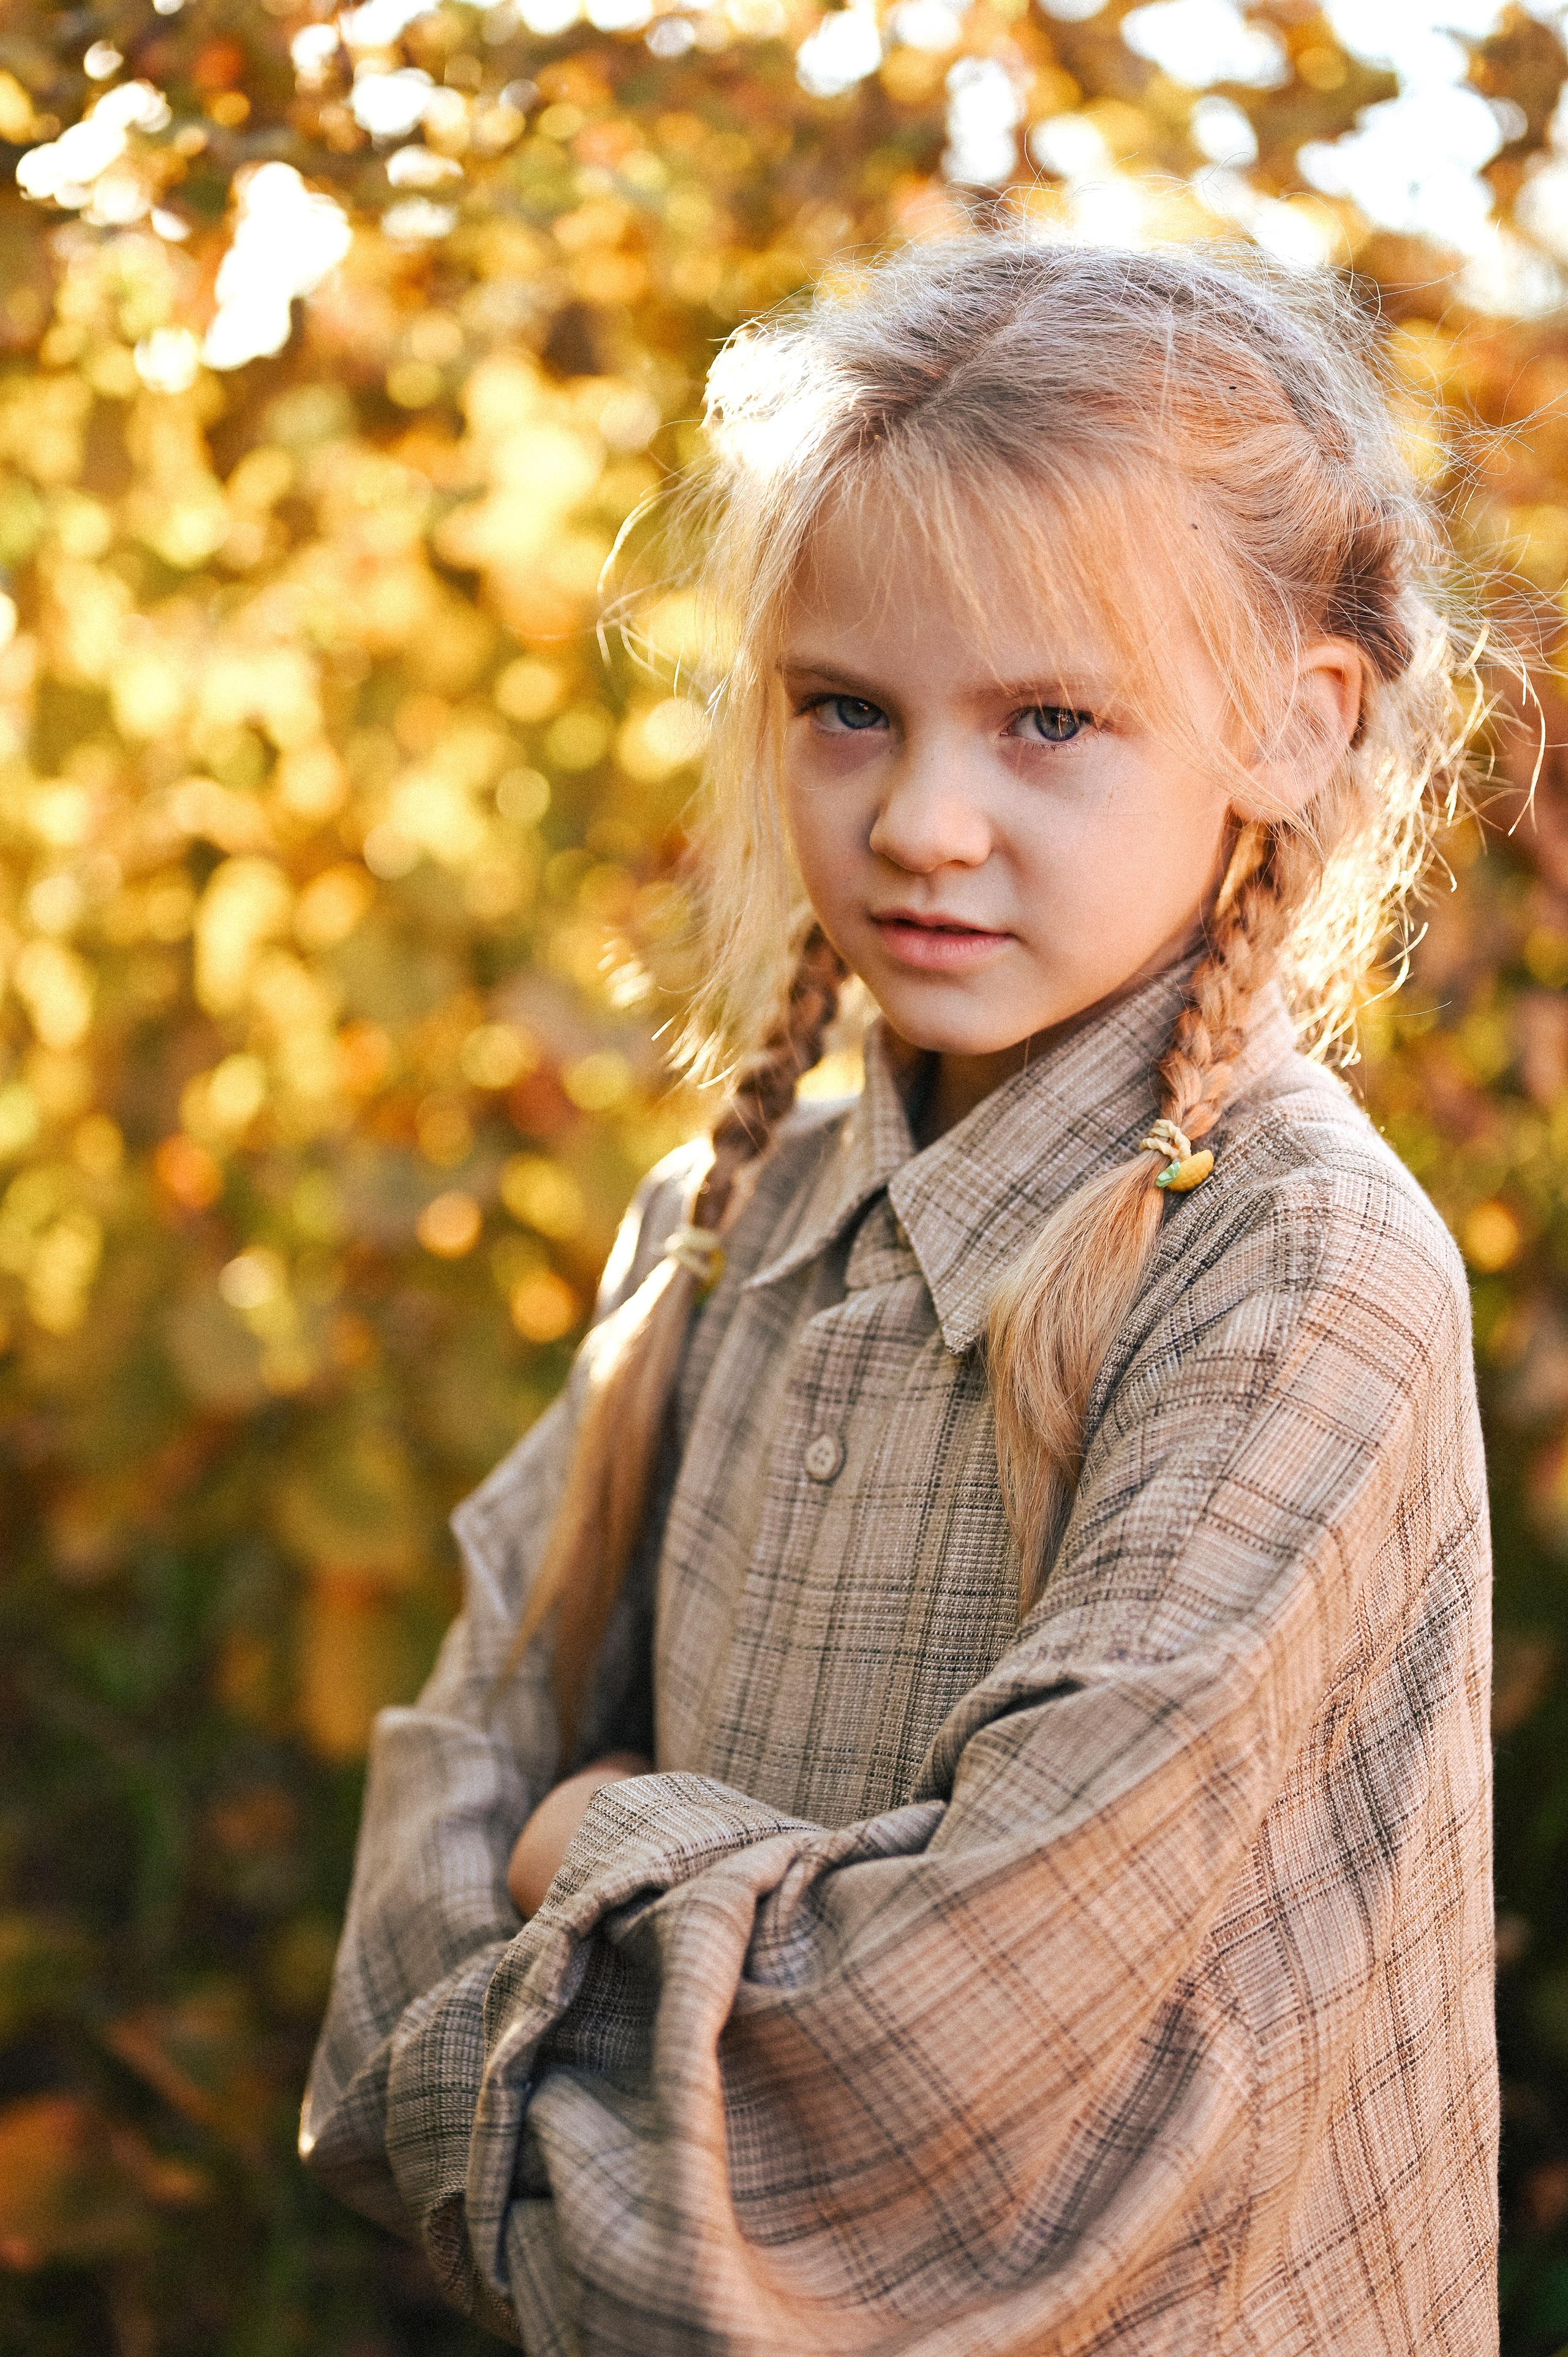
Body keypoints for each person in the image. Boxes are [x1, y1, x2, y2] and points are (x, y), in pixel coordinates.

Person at [300, 239, 1496, 2355]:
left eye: (1051, 721)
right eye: (848, 708)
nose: (924, 821)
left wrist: (589, 1843)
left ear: (1284, 729)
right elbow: (446, 1785)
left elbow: (949, 2075)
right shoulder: (727, 1206)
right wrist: (586, 1987)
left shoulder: (1295, 1275)